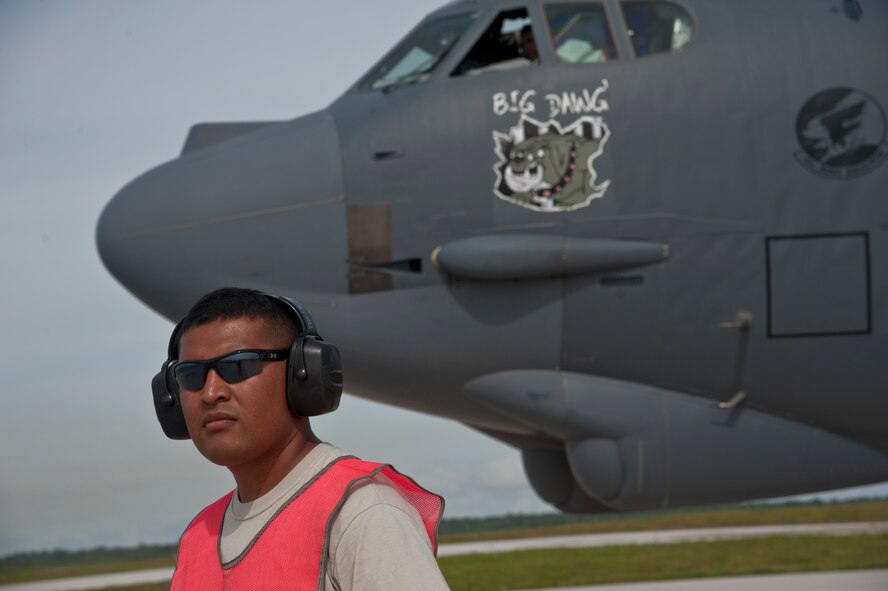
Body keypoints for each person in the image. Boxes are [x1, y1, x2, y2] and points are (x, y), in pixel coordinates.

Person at [152, 287, 449, 590]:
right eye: (190, 376)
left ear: (302, 373)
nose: (211, 392)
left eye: (238, 366)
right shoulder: (199, 537)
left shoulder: (360, 513)